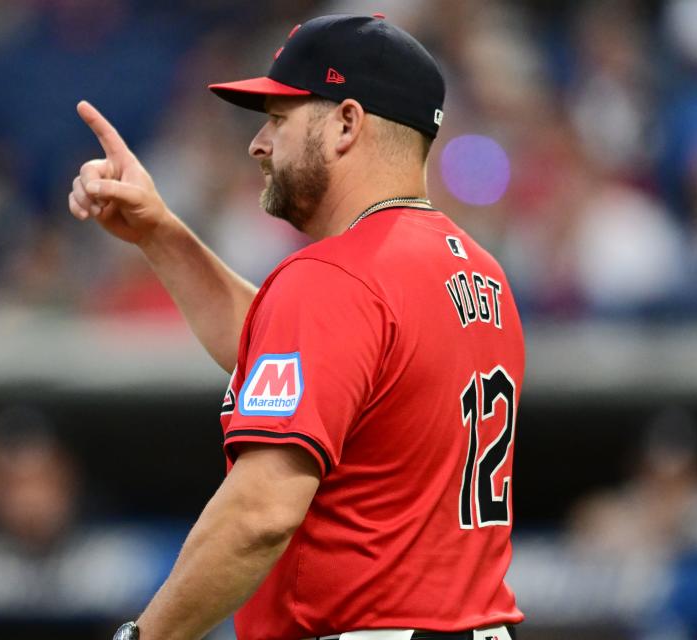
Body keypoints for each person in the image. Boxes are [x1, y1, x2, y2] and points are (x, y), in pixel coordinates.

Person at [67, 14, 525, 640]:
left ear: (346, 123)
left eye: (280, 118)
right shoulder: (480, 272)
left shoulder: (334, 278)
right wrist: (159, 232)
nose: (258, 144)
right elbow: (301, 358)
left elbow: (260, 514)